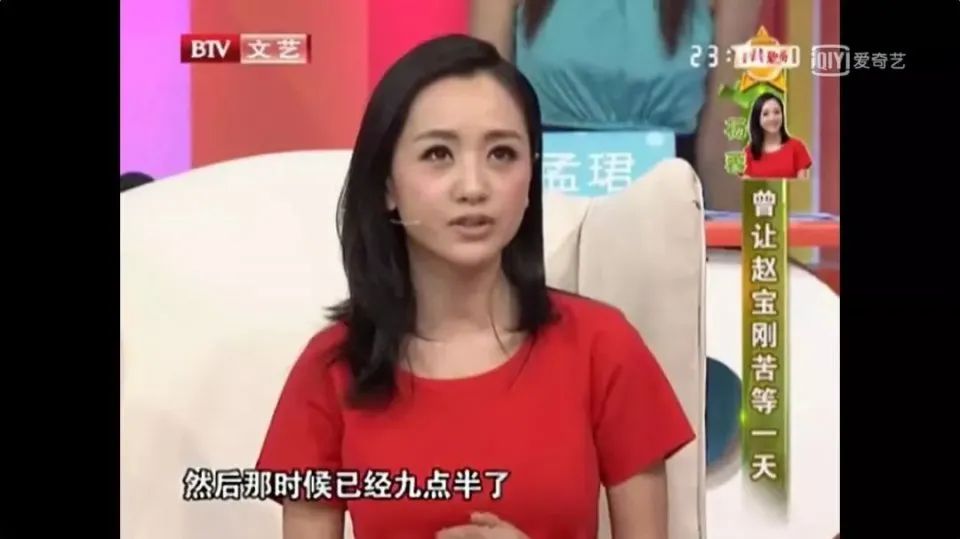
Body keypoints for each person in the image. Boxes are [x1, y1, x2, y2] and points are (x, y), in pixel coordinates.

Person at [256, 34, 694, 538]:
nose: (473, 187)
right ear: (387, 186)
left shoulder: (604, 348)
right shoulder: (330, 370)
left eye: (502, 154)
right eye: (438, 154)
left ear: (530, 177)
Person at [470, 0, 763, 211]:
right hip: (541, 214)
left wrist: (731, 253)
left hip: (670, 217)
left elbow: (721, 135)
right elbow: (485, 117)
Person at [743, 93, 812, 179]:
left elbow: (801, 185)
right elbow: (746, 185)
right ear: (757, 119)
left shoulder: (797, 147)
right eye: (765, 114)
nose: (772, 118)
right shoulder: (747, 153)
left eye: (777, 112)